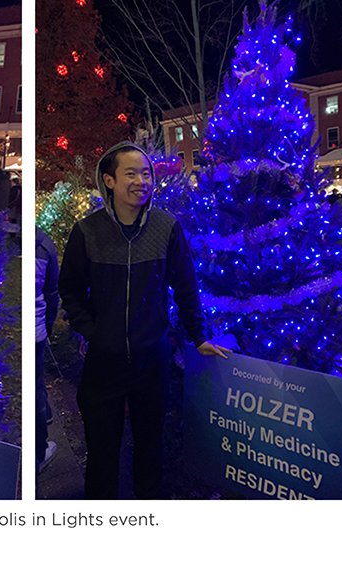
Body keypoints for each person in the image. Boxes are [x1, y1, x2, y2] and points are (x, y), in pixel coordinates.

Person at [58, 141, 231, 499]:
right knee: (102, 452)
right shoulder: (87, 231)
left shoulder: (166, 228)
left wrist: (198, 336)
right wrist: (94, 331)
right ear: (109, 180)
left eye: (147, 173)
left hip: (152, 361)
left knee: (150, 449)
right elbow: (70, 291)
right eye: (131, 173)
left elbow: (186, 287)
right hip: (102, 364)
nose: (142, 180)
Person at [35, 227, 60, 474]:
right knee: (37, 389)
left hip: (36, 328)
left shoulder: (42, 245)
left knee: (36, 388)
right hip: (38, 329)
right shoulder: (43, 244)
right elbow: (52, 293)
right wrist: (49, 324)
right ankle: (38, 452)